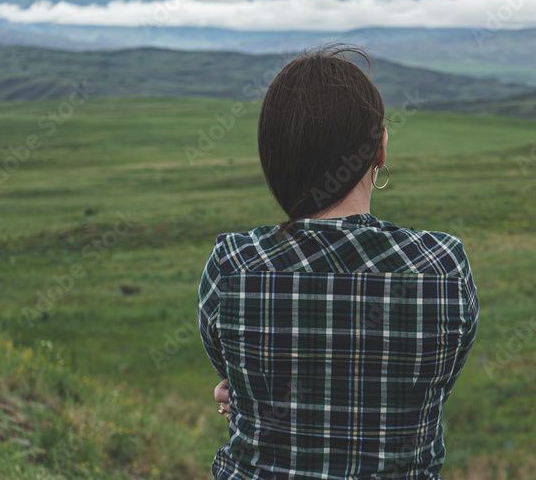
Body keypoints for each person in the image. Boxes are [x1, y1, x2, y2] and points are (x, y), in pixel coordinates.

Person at [198, 45, 478, 479]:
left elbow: (232, 376)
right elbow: (433, 387)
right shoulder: (442, 266)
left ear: (271, 156)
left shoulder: (233, 263)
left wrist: (244, 395)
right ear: (380, 151)